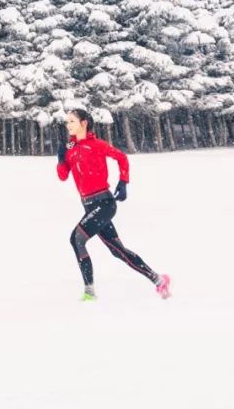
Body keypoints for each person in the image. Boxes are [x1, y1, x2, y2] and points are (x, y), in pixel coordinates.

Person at [56, 108, 171, 302]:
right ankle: (159, 280)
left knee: (76, 239)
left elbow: (121, 158)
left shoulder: (97, 145)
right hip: (89, 207)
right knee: (118, 251)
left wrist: (123, 182)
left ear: (84, 123)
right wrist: (61, 159)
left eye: (72, 121)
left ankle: (89, 292)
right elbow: (62, 176)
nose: (68, 125)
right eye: (67, 122)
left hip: (104, 203)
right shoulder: (70, 148)